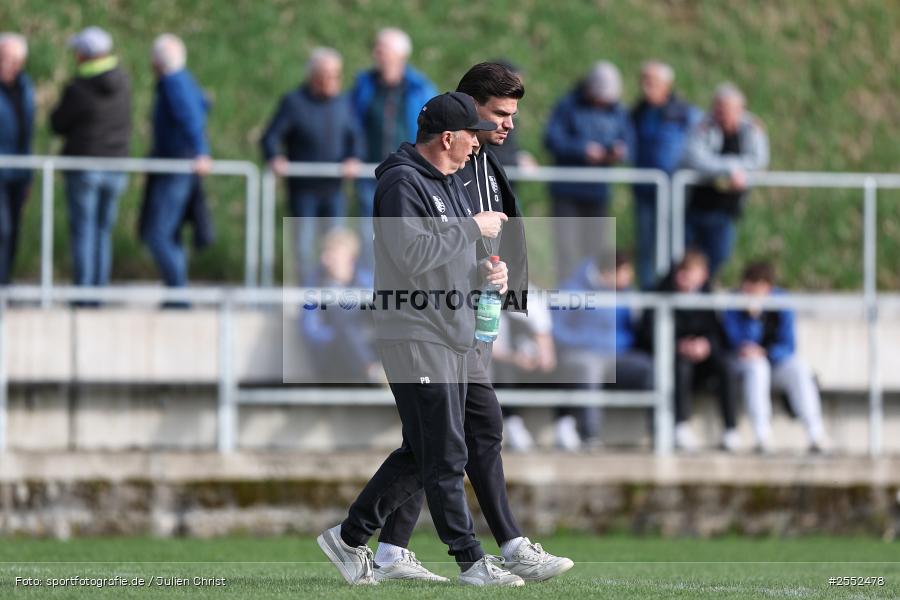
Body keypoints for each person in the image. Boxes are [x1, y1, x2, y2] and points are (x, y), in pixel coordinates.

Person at [373, 64, 572, 583]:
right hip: (430, 322)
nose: (507, 126)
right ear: (465, 114)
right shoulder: (438, 162)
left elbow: (484, 234)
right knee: (458, 435)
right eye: (498, 115)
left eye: (512, 115)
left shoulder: (483, 161)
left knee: (442, 438)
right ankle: (495, 548)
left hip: (469, 314)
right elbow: (417, 248)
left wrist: (499, 274)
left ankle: (385, 547)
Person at [317, 92, 525, 587]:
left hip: (446, 329)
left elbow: (447, 255)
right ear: (449, 137)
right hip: (412, 330)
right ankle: (471, 560)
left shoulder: (449, 182)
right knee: (447, 450)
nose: (480, 144)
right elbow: (410, 254)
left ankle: (349, 538)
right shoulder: (400, 182)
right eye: (473, 134)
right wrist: (471, 227)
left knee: (424, 448)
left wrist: (487, 274)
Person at [261, 47, 363, 286]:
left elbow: (356, 138)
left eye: (337, 75)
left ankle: (334, 298)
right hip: (303, 190)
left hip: (334, 189)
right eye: (328, 75)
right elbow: (270, 137)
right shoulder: (294, 103)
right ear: (314, 76)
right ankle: (306, 297)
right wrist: (275, 157)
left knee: (337, 246)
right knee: (304, 246)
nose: (334, 80)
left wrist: (353, 158)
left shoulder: (344, 104)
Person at [50, 26, 131, 290]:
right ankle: (99, 290)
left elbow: (58, 123)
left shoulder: (79, 87)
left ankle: (84, 293)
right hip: (116, 165)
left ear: (85, 55)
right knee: (102, 231)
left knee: (84, 230)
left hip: (85, 167)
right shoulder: (123, 82)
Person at [350, 28, 437, 270]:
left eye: (382, 49)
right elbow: (351, 124)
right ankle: (369, 281)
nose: (376, 53)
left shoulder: (420, 88)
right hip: (371, 172)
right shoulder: (364, 85)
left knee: (408, 228)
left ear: (400, 55)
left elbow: (435, 127)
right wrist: (352, 155)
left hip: (408, 174)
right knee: (368, 232)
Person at [638, 250, 738, 452]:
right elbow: (646, 334)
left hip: (702, 359)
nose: (687, 279)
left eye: (692, 274)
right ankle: (680, 426)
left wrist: (706, 344)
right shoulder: (660, 293)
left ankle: (730, 429)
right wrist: (677, 345)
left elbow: (717, 332)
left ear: (702, 275)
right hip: (673, 357)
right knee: (681, 365)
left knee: (726, 366)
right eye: (683, 273)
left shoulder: (705, 295)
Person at [723, 261, 827, 453]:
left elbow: (789, 344)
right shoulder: (735, 301)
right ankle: (762, 435)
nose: (752, 292)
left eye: (758, 287)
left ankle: (815, 434)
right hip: (744, 363)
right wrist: (752, 319)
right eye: (749, 286)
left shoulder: (781, 301)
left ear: (768, 287)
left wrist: (767, 352)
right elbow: (732, 339)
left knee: (800, 368)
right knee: (758, 367)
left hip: (775, 360)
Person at [544, 61, 633, 282]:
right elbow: (552, 139)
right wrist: (582, 150)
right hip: (566, 190)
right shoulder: (568, 106)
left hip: (597, 191)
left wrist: (618, 152)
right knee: (565, 248)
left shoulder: (618, 111)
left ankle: (591, 300)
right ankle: (565, 297)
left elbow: (630, 142)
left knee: (595, 250)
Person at [142, 34, 211, 289]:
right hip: (180, 164)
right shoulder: (184, 80)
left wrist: (201, 151)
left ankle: (178, 293)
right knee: (171, 233)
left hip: (177, 167)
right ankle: (176, 293)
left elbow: (191, 117)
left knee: (157, 234)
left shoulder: (173, 83)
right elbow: (204, 105)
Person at [681, 83, 769, 279]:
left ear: (740, 109)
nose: (722, 113)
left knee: (718, 256)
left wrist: (736, 173)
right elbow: (695, 158)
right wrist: (731, 168)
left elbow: (759, 160)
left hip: (726, 209)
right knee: (686, 258)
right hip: (696, 205)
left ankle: (704, 292)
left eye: (727, 109)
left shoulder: (752, 128)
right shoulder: (703, 126)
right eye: (718, 108)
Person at [630, 61, 701, 290]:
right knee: (647, 247)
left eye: (652, 82)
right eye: (644, 81)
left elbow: (707, 132)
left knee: (675, 247)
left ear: (666, 85)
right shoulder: (637, 112)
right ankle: (650, 299)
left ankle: (675, 295)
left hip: (675, 192)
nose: (646, 87)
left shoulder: (685, 113)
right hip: (645, 192)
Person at [551, 251, 617, 450]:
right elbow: (557, 329)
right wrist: (589, 341)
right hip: (578, 353)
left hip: (612, 353)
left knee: (648, 367)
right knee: (590, 366)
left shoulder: (621, 290)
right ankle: (590, 434)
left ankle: (663, 430)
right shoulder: (570, 289)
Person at [300, 228, 380, 384]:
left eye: (332, 254)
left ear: (349, 258)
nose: (325, 260)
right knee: (345, 329)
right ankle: (374, 372)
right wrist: (341, 336)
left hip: (365, 346)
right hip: (333, 354)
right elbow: (310, 329)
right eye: (325, 253)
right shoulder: (315, 283)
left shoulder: (366, 280)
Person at [0, 33, 34, 285]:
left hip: (18, 171)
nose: (7, 64)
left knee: (14, 231)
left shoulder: (25, 88)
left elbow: (28, 134)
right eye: (3, 58)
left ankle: (6, 280)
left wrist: (29, 174)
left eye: (13, 59)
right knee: (3, 228)